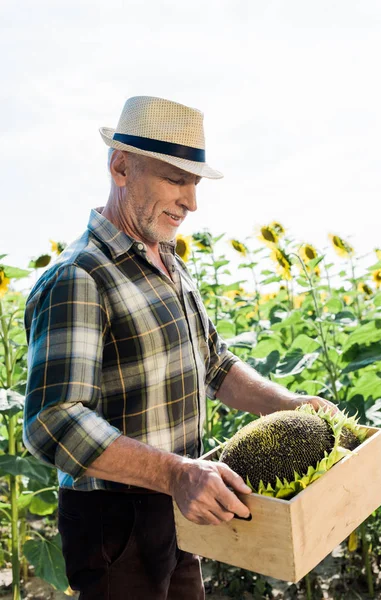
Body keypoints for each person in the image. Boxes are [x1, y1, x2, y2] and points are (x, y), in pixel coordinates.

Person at [23, 96, 337, 600]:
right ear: (121, 166)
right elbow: (51, 423)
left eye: (194, 183)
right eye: (175, 179)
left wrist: (290, 405)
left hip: (182, 505)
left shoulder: (168, 263)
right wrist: (175, 473)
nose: (192, 201)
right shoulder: (79, 276)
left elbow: (214, 365)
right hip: (116, 523)